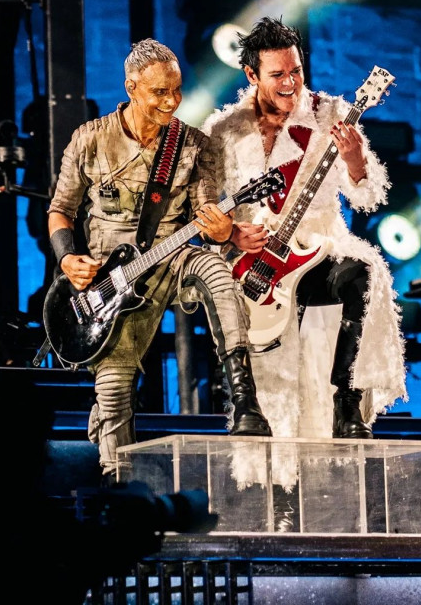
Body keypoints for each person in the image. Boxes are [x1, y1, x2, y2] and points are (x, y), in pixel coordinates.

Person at [47, 39, 272, 484]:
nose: (171, 101)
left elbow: (208, 214)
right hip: (109, 283)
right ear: (131, 87)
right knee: (113, 390)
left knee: (215, 270)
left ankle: (243, 398)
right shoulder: (90, 139)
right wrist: (68, 256)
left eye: (177, 90)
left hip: (174, 257)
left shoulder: (192, 145)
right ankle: (118, 484)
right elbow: (61, 210)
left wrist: (222, 230)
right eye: (159, 92)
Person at [202, 18, 407, 452]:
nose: (290, 82)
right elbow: (202, 205)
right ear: (251, 74)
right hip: (256, 265)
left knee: (364, 273)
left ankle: (347, 403)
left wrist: (355, 159)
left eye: (296, 70)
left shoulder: (330, 113)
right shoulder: (224, 129)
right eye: (277, 74)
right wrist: (232, 234)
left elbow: (369, 195)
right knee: (275, 384)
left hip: (319, 250)